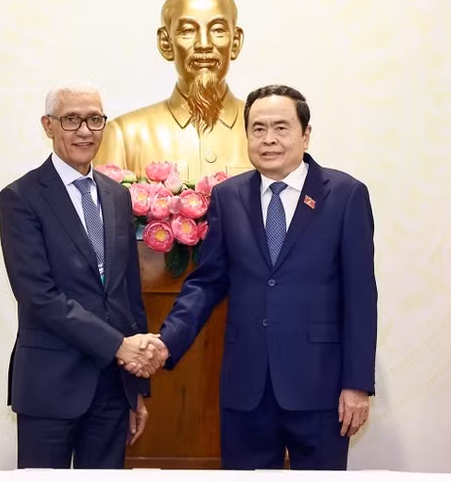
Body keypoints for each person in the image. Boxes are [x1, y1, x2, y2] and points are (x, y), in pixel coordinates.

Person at [126, 84, 378, 470]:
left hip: (320, 388)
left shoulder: (344, 195)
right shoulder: (229, 198)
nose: (269, 139)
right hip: (247, 389)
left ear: (305, 134)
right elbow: (207, 282)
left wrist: (357, 384)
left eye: (281, 127)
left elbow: (361, 298)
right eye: (258, 129)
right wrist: (166, 343)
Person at [0, 83, 166, 469]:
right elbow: (39, 297)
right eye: (72, 119)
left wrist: (135, 389)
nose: (85, 131)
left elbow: (126, 295)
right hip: (49, 386)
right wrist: (117, 346)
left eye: (94, 120)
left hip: (111, 387)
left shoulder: (117, 195)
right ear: (48, 125)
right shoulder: (21, 198)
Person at [93, 0, 252, 180]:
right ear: (166, 43)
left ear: (235, 42)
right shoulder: (124, 135)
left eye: (218, 30)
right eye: (187, 31)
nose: (204, 44)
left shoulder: (267, 133)